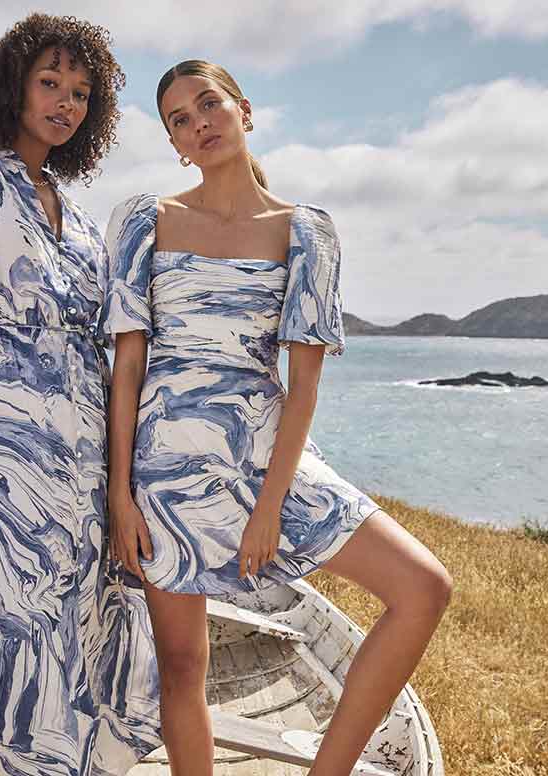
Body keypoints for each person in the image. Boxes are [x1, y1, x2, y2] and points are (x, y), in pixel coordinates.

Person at [102, 60, 453, 776]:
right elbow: (128, 368)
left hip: (269, 457)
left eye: (208, 104)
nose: (198, 122)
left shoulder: (306, 232)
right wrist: (119, 494)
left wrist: (269, 506)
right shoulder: (147, 220)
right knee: (181, 663)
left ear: (245, 111)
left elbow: (302, 387)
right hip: (167, 469)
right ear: (174, 142)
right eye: (179, 118)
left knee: (423, 588)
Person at [0, 14, 160, 775]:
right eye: (50, 82)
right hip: (8, 458)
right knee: (10, 631)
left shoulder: (78, 219)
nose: (65, 103)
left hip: (86, 467)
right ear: (14, 85)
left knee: (83, 634)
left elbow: (115, 342)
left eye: (80, 92)